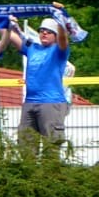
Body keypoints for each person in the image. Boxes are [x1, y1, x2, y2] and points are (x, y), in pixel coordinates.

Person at [6, 16, 72, 149]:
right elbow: (10, 36)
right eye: (42, 30)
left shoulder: (59, 51)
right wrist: (3, 20)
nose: (44, 33)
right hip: (30, 102)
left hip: (51, 102)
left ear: (56, 35)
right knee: (26, 145)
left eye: (49, 31)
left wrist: (59, 19)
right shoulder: (32, 48)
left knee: (51, 147)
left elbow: (64, 39)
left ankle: (52, 170)